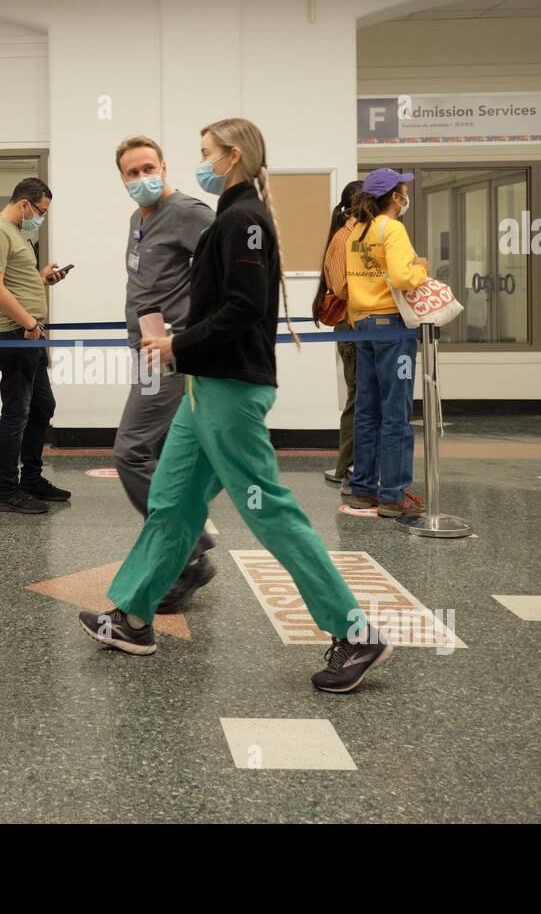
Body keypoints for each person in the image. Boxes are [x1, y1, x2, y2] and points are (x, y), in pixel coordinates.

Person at [78, 117, 393, 695]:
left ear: (234, 156)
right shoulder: (229, 216)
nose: (202, 163)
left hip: (229, 389)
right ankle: (134, 616)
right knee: (172, 501)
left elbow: (245, 311)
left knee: (268, 509)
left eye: (207, 153)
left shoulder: (241, 220)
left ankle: (356, 631)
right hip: (202, 388)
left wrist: (175, 342)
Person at [111, 135, 218, 613]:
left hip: (170, 357)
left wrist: (192, 333)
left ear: (163, 166)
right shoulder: (139, 218)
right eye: (131, 173)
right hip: (146, 352)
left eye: (147, 168)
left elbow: (224, 272)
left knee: (131, 451)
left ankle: (190, 551)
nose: (140, 178)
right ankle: (189, 537)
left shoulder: (189, 213)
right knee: (162, 456)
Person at [0, 178, 71, 514]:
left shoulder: (17, 233)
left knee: (42, 407)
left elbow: (14, 280)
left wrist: (41, 278)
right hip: (15, 333)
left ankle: (31, 479)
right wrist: (30, 324)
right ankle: (6, 492)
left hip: (31, 333)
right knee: (16, 412)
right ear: (24, 204)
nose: (41, 218)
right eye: (41, 211)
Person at [344, 168, 431, 519]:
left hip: (362, 325)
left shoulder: (358, 232)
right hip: (392, 327)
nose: (406, 197)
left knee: (367, 410)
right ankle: (393, 494)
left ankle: (363, 489)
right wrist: (420, 269)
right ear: (395, 197)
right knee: (395, 411)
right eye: (404, 191)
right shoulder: (391, 228)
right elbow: (400, 276)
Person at [313, 179, 364, 497]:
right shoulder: (343, 240)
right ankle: (346, 467)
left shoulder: (359, 237)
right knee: (357, 397)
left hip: (362, 327)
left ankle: (352, 465)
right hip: (351, 326)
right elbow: (344, 288)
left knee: (361, 397)